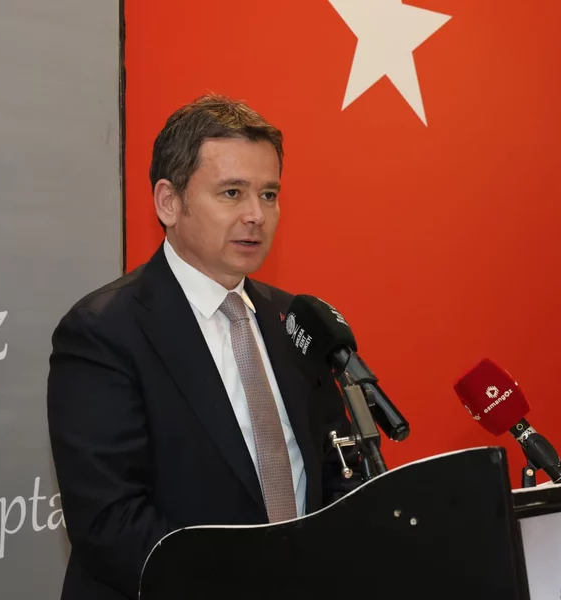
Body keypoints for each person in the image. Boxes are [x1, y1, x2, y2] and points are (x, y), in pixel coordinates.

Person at [46, 94, 359, 600]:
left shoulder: (294, 319)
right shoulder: (103, 331)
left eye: (270, 194)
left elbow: (336, 465)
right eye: (232, 192)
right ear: (169, 202)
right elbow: (110, 521)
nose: (256, 215)